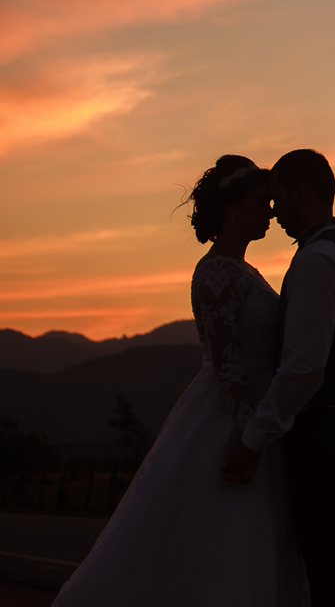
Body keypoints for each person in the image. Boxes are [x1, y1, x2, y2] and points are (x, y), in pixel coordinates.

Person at [54, 155, 308, 607]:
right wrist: (250, 435)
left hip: (256, 410)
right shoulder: (217, 271)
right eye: (260, 202)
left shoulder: (243, 270)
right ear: (231, 208)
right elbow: (228, 361)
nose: (270, 213)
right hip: (231, 413)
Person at [223, 149, 335, 607]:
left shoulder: (316, 259)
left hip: (325, 429)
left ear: (301, 193)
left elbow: (304, 366)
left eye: (278, 200)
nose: (274, 213)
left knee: (333, 569)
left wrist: (255, 437)